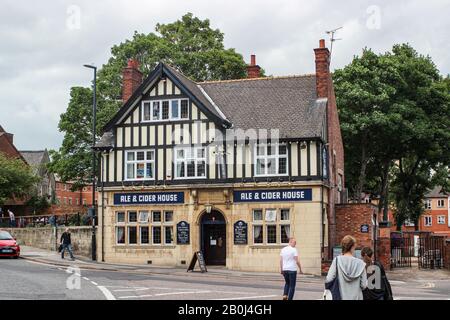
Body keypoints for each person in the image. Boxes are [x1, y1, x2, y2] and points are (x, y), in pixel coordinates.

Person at [326, 235, 367, 300]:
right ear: (353, 246)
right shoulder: (361, 264)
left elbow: (329, 279)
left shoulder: (337, 260)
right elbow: (364, 285)